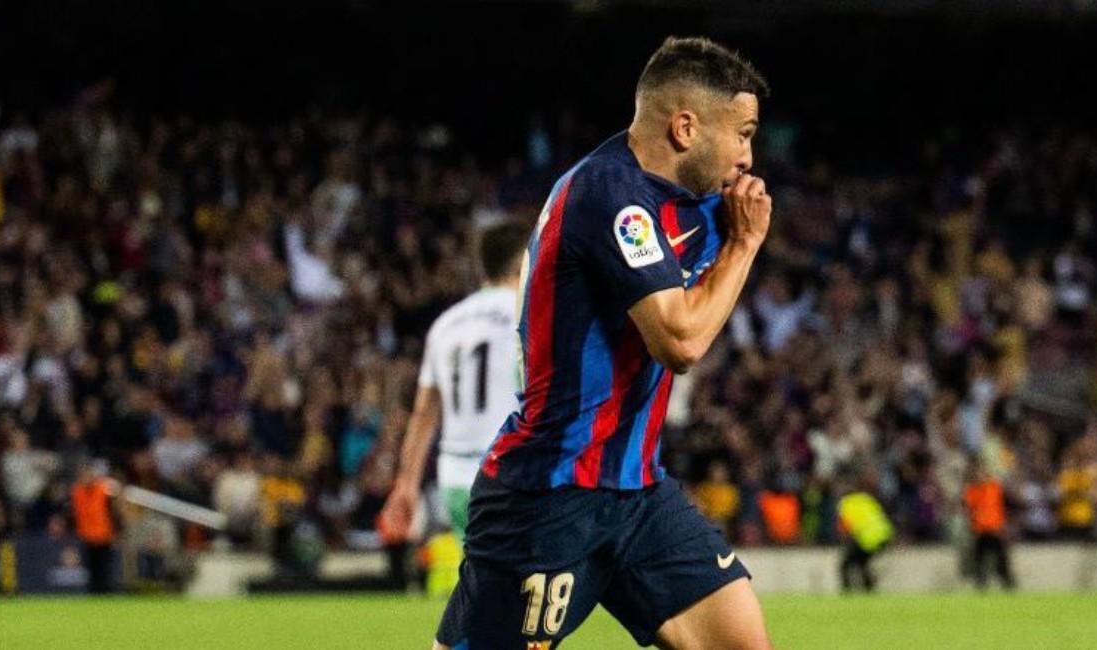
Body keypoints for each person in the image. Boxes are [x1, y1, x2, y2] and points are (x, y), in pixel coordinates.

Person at [434, 36, 773, 649]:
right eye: (743, 133)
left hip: (637, 493)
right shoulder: (611, 196)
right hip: (547, 496)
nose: (749, 157)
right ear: (685, 126)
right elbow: (681, 340)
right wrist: (743, 246)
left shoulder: (688, 202)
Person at [381, 221, 533, 543]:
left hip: (456, 480)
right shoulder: (529, 316)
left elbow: (423, 415)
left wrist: (406, 484)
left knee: (483, 582)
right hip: (510, 474)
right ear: (524, 262)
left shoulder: (446, 324)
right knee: (533, 585)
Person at [963, 463, 1016, 590]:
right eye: (976, 473)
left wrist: (1005, 525)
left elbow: (1005, 507)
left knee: (1001, 558)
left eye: (981, 473)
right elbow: (969, 511)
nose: (979, 476)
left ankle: (1007, 582)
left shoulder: (995, 488)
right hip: (980, 531)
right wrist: (971, 527)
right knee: (979, 558)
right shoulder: (971, 491)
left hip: (996, 529)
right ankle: (981, 583)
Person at [837, 480, 893, 593]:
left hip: (867, 538)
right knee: (862, 562)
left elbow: (845, 528)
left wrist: (846, 542)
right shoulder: (866, 498)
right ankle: (869, 590)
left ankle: (846, 591)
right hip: (884, 536)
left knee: (845, 564)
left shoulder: (844, 503)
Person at [70, 463, 117, 594]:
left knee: (104, 568)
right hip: (86, 536)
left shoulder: (103, 490)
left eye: (88, 476)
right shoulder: (76, 492)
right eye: (82, 476)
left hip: (103, 536)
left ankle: (106, 592)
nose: (86, 479)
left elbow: (113, 510)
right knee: (91, 569)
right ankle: (94, 592)